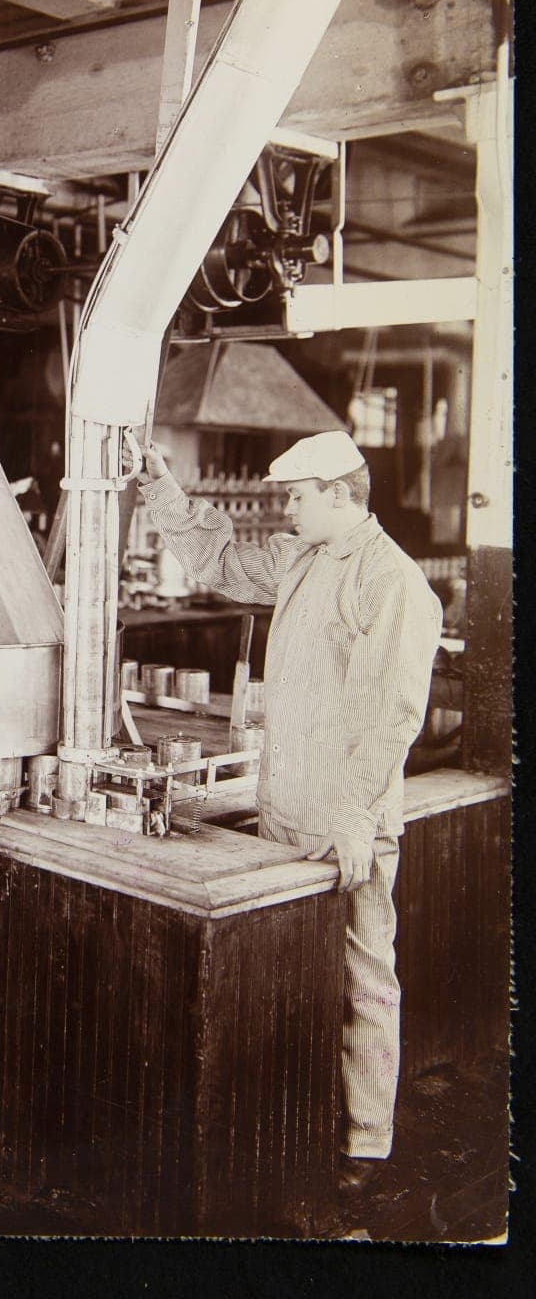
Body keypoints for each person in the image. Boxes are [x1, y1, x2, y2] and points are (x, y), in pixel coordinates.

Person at [133, 428, 443, 1195]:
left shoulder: (392, 581)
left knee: (363, 978)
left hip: (345, 822)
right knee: (296, 977)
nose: (288, 510)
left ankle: (365, 1142)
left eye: (298, 498)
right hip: (284, 813)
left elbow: (392, 716)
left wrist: (354, 818)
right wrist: (162, 489)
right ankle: (300, 1128)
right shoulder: (303, 558)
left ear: (339, 494)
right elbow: (220, 559)